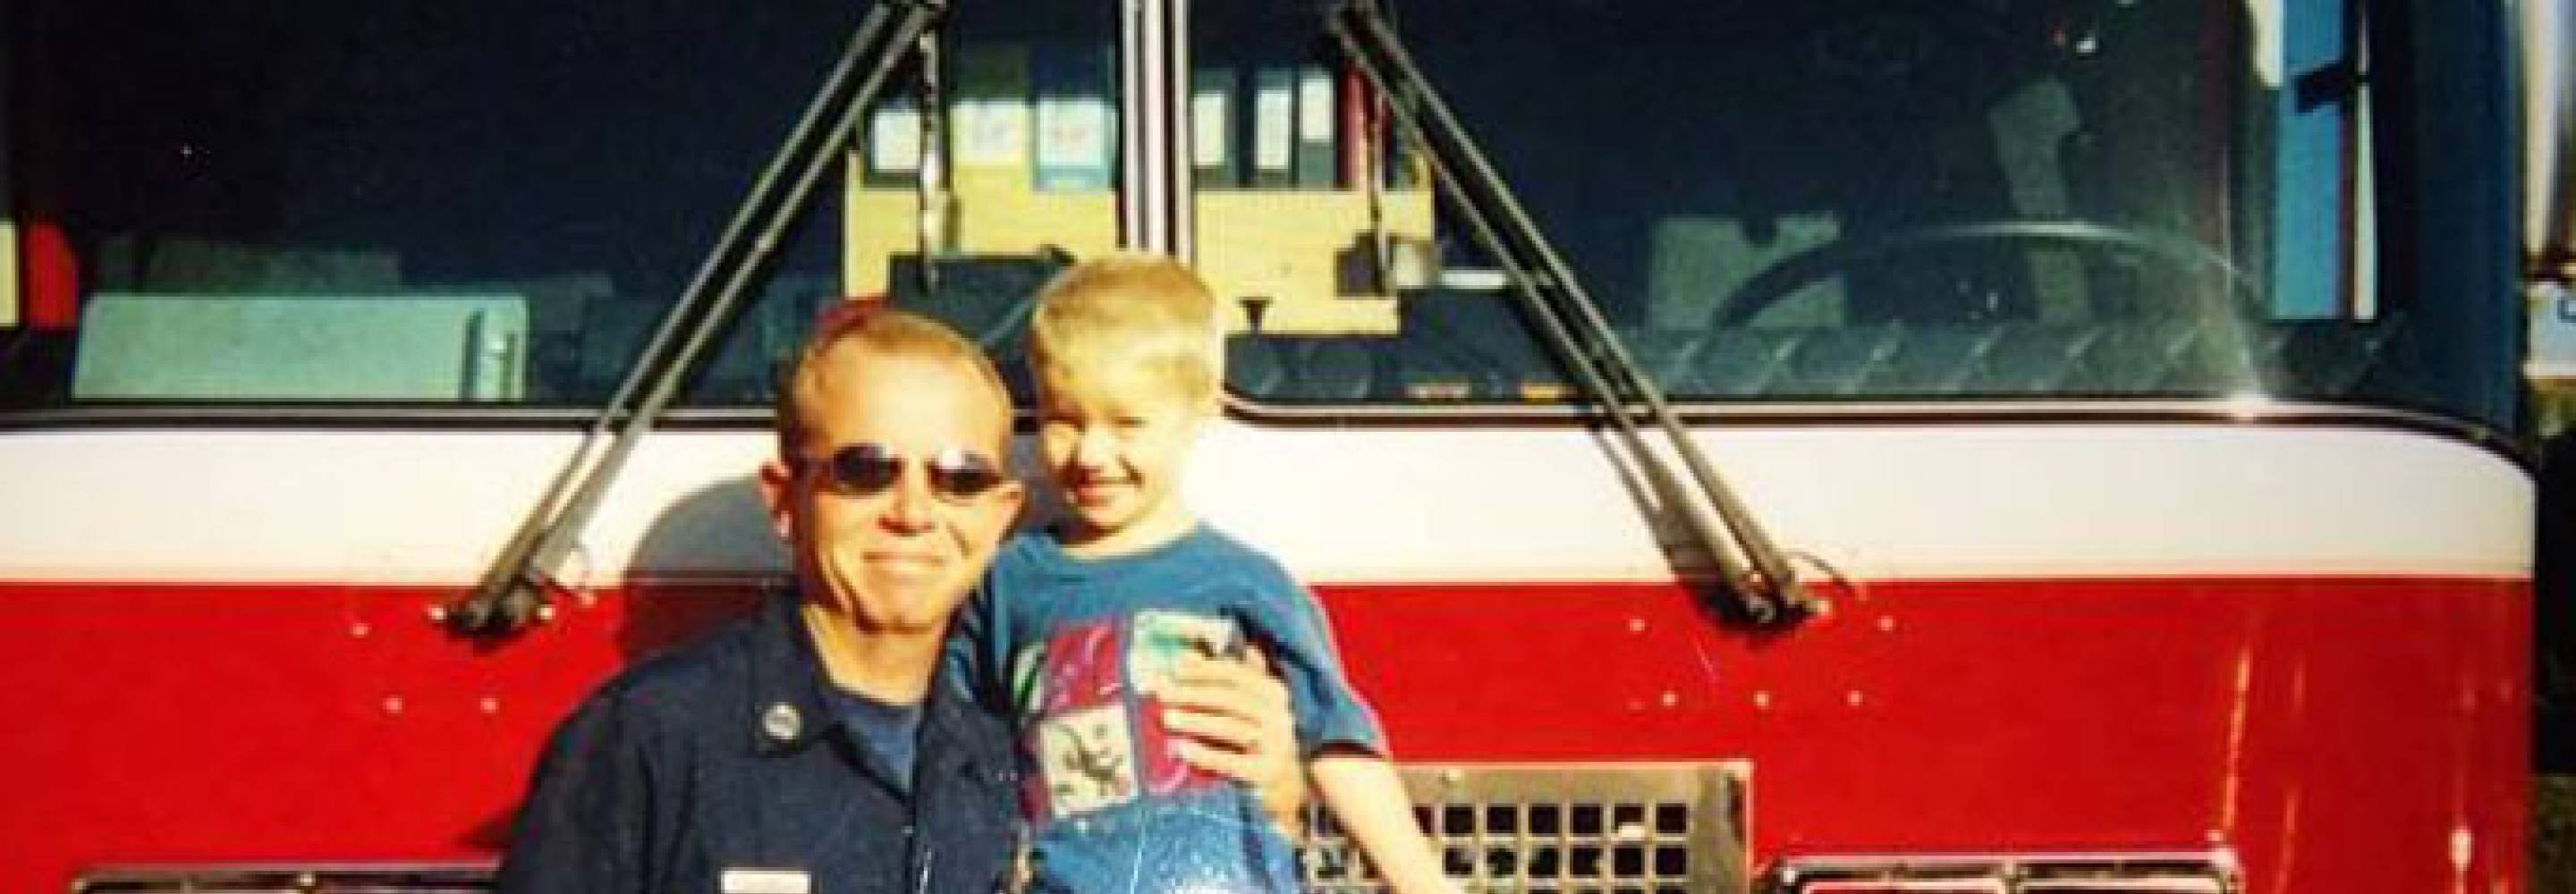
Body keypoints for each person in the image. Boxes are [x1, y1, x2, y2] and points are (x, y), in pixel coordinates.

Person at [495, 307, 1302, 894]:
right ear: (786, 500)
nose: (913, 512)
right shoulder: (654, 737)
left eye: (959, 479)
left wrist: (1264, 803)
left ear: (999, 518)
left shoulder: (1018, 749)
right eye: (865, 470)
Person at [950, 255, 1453, 894]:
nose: (1092, 454)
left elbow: (1337, 742)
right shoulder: (1008, 581)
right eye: (1063, 420)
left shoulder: (1248, 581)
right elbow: (953, 749)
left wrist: (1425, 883)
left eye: (1128, 423)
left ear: (1200, 414)